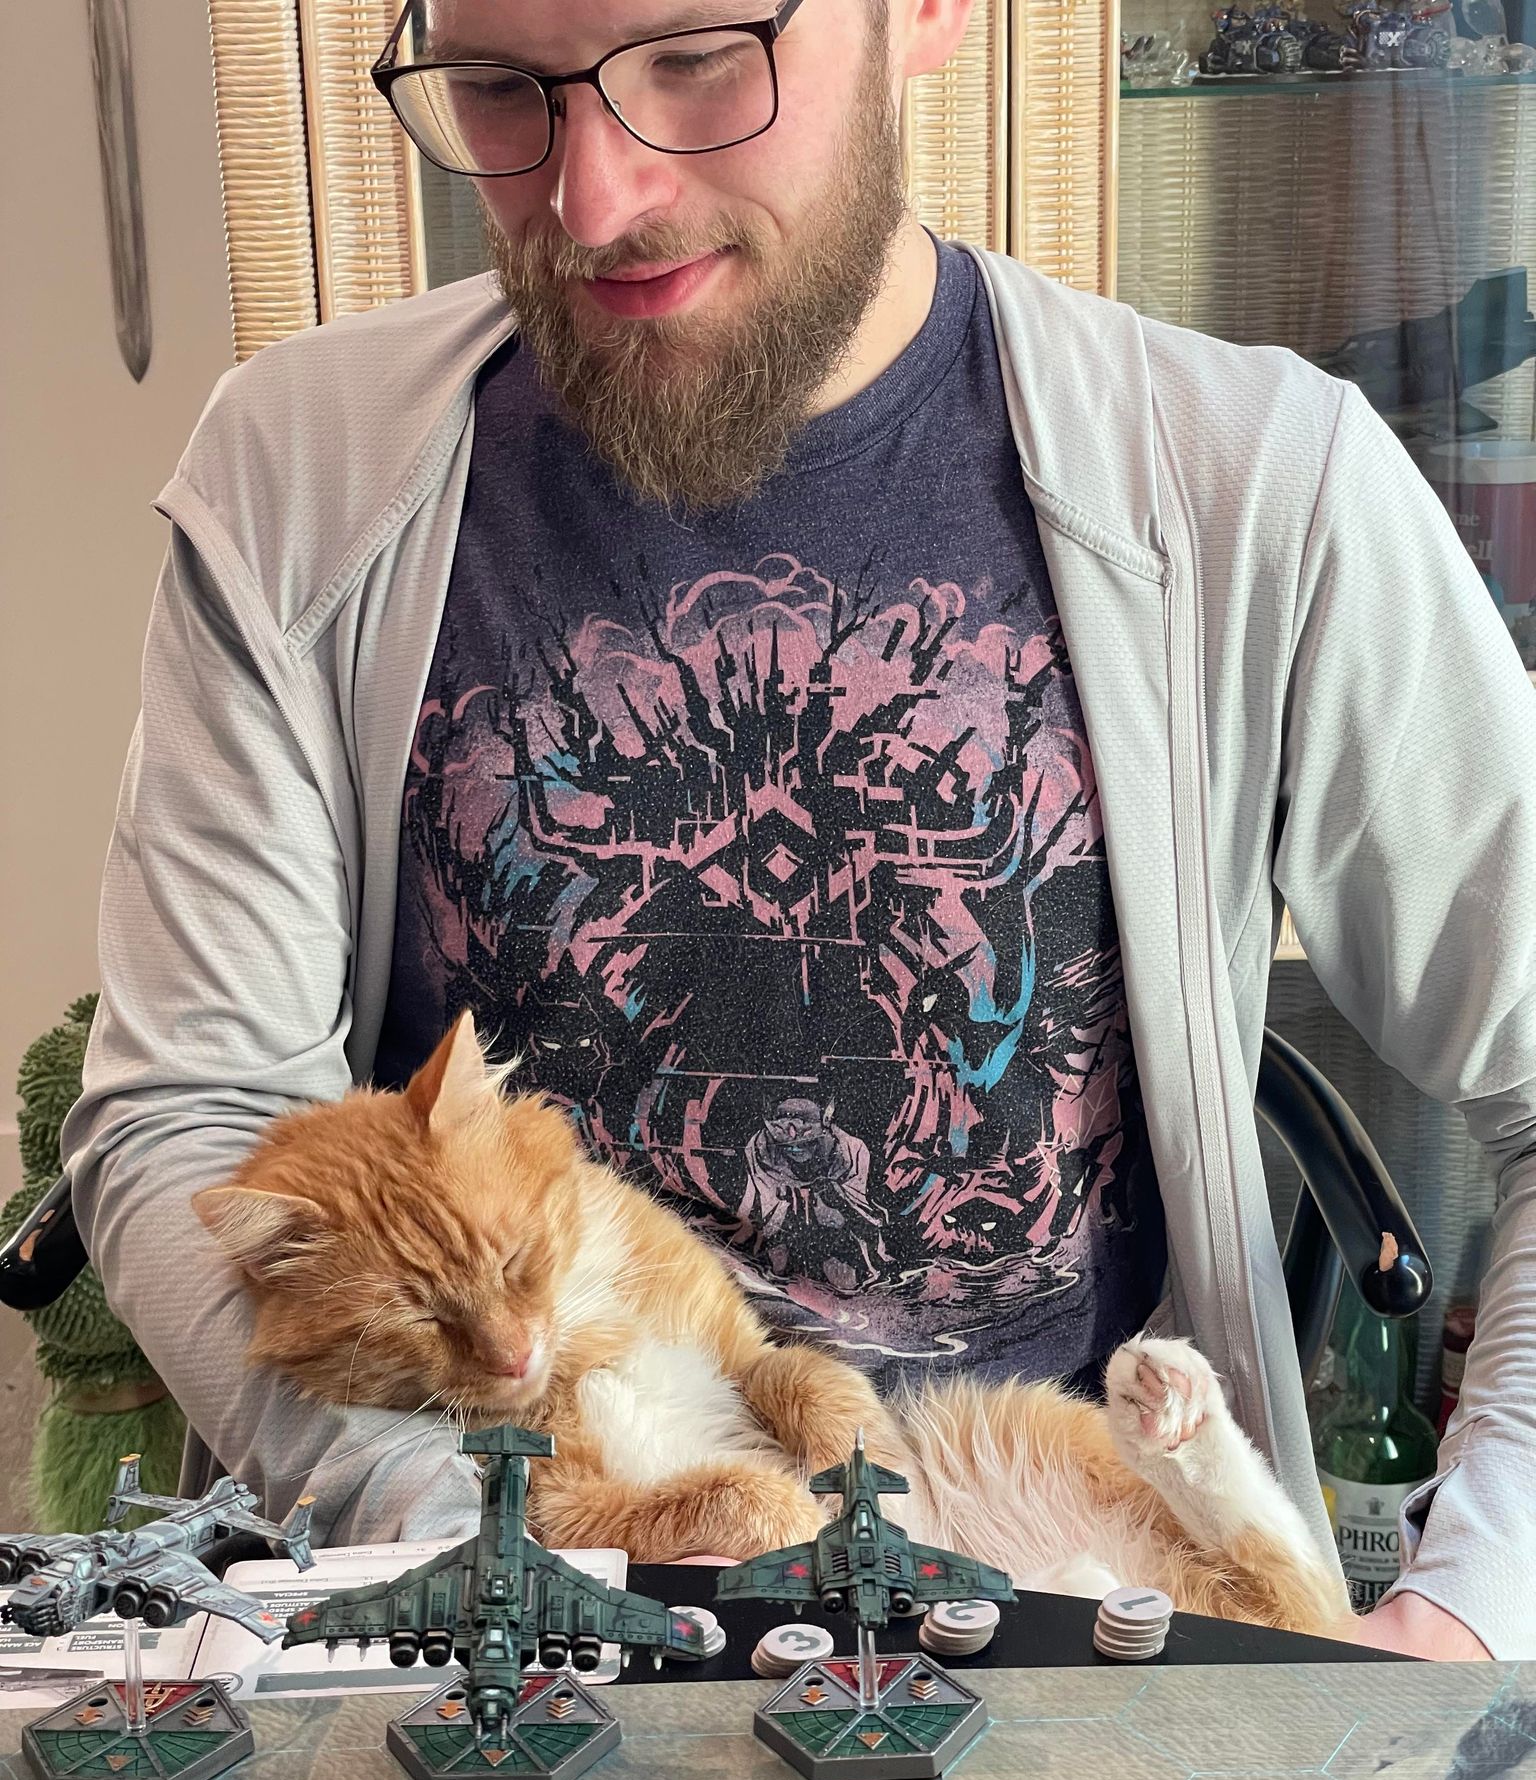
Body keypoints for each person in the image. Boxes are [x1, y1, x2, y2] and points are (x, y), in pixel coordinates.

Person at [62, 0, 1536, 1661]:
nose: (592, 199)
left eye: (700, 56)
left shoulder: (1260, 486)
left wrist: (1473, 1604)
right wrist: (490, 1533)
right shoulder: (300, 476)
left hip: (1060, 1579)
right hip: (525, 1570)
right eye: (496, 87)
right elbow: (188, 1112)